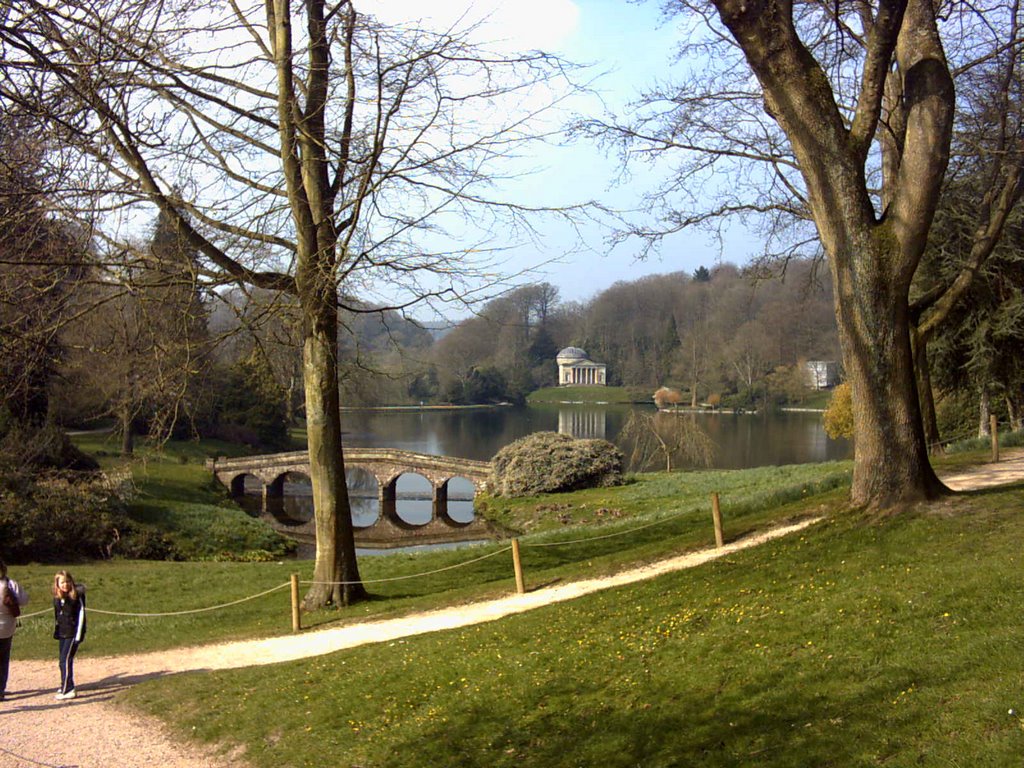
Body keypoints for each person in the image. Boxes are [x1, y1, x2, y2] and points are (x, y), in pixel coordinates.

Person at [52, 570, 86, 701]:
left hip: (73, 633)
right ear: (57, 584)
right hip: (63, 633)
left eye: (67, 581)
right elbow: (57, 616)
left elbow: (81, 615)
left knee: (65, 660)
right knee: (62, 661)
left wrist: (79, 635)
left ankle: (69, 689)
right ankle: (65, 684)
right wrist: (57, 631)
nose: (65, 584)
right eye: (62, 582)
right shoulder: (57, 598)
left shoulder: (76, 597)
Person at [0, 559, 29, 703]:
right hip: (6, 627)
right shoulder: (11, 584)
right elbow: (24, 600)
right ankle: (0, 690)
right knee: (3, 659)